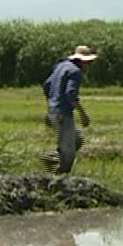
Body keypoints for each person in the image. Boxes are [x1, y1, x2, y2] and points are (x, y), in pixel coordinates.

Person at [41, 45, 96, 174]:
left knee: (78, 140)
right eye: (89, 63)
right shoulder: (75, 72)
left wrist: (49, 109)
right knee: (68, 152)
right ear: (84, 61)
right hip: (63, 114)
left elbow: (46, 86)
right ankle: (61, 178)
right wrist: (83, 115)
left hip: (54, 111)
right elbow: (71, 94)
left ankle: (53, 159)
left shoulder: (60, 66)